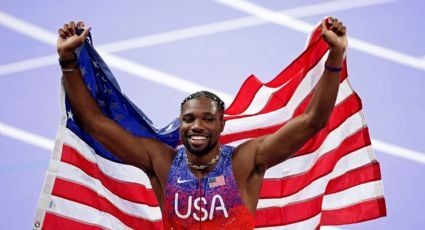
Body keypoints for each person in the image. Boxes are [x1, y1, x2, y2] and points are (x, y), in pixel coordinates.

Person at [57, 17, 347, 229]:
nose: (197, 125)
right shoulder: (161, 162)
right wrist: (68, 59)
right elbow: (93, 122)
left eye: (207, 119)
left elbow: (313, 121)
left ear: (221, 124)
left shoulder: (245, 161)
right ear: (180, 125)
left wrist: (335, 56)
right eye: (189, 119)